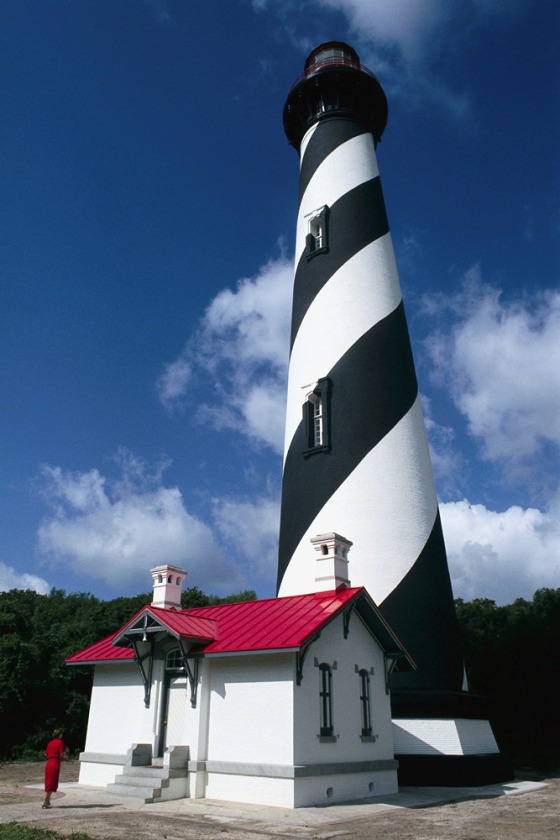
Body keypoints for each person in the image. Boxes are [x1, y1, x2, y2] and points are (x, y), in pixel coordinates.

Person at [42, 728, 66, 808]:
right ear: (59, 735)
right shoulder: (60, 742)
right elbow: (62, 753)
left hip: (49, 762)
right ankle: (45, 801)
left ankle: (48, 800)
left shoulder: (50, 743)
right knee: (52, 782)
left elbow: (46, 753)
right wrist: (67, 758)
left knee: (48, 781)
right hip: (55, 762)